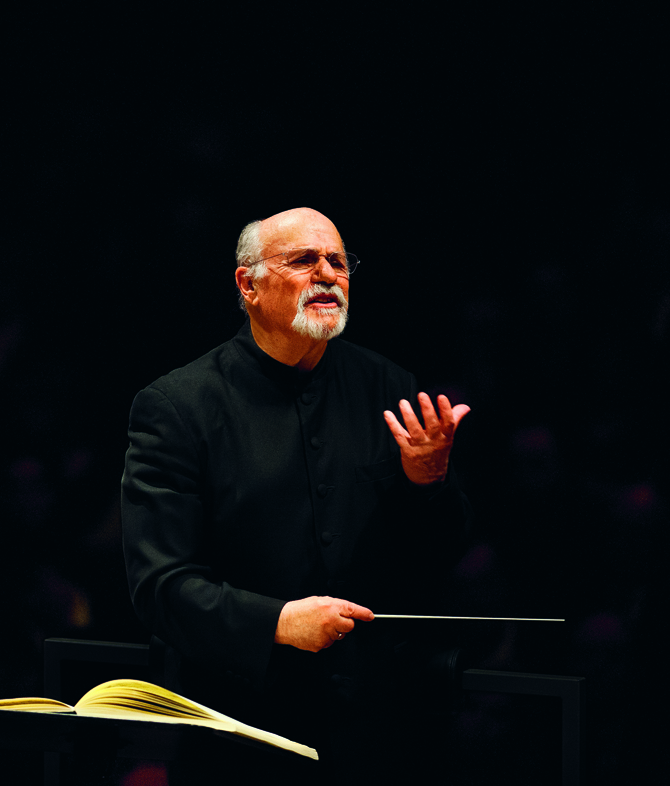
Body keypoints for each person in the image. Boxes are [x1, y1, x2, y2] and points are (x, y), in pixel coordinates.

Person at [121, 207, 473, 782]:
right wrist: (277, 622)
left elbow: (440, 556)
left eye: (338, 261)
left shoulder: (388, 386)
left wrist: (426, 481)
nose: (328, 274)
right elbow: (160, 588)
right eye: (304, 260)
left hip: (379, 725)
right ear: (248, 285)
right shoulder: (178, 407)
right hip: (242, 726)